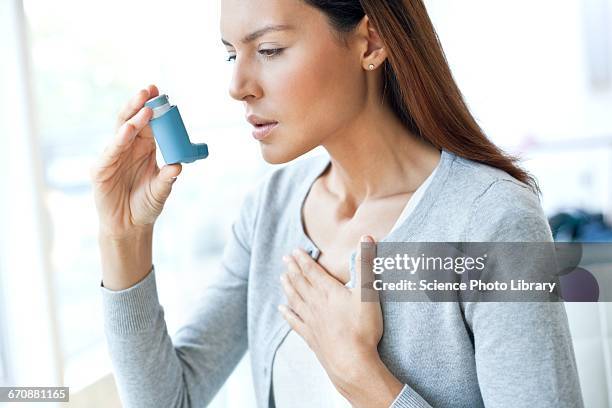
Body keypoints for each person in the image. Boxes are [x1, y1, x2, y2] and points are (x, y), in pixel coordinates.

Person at [90, 0, 584, 407]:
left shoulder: (491, 220)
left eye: (269, 49)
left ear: (369, 42)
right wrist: (125, 236)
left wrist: (363, 379)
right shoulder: (271, 210)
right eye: (230, 55)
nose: (238, 86)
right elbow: (167, 401)